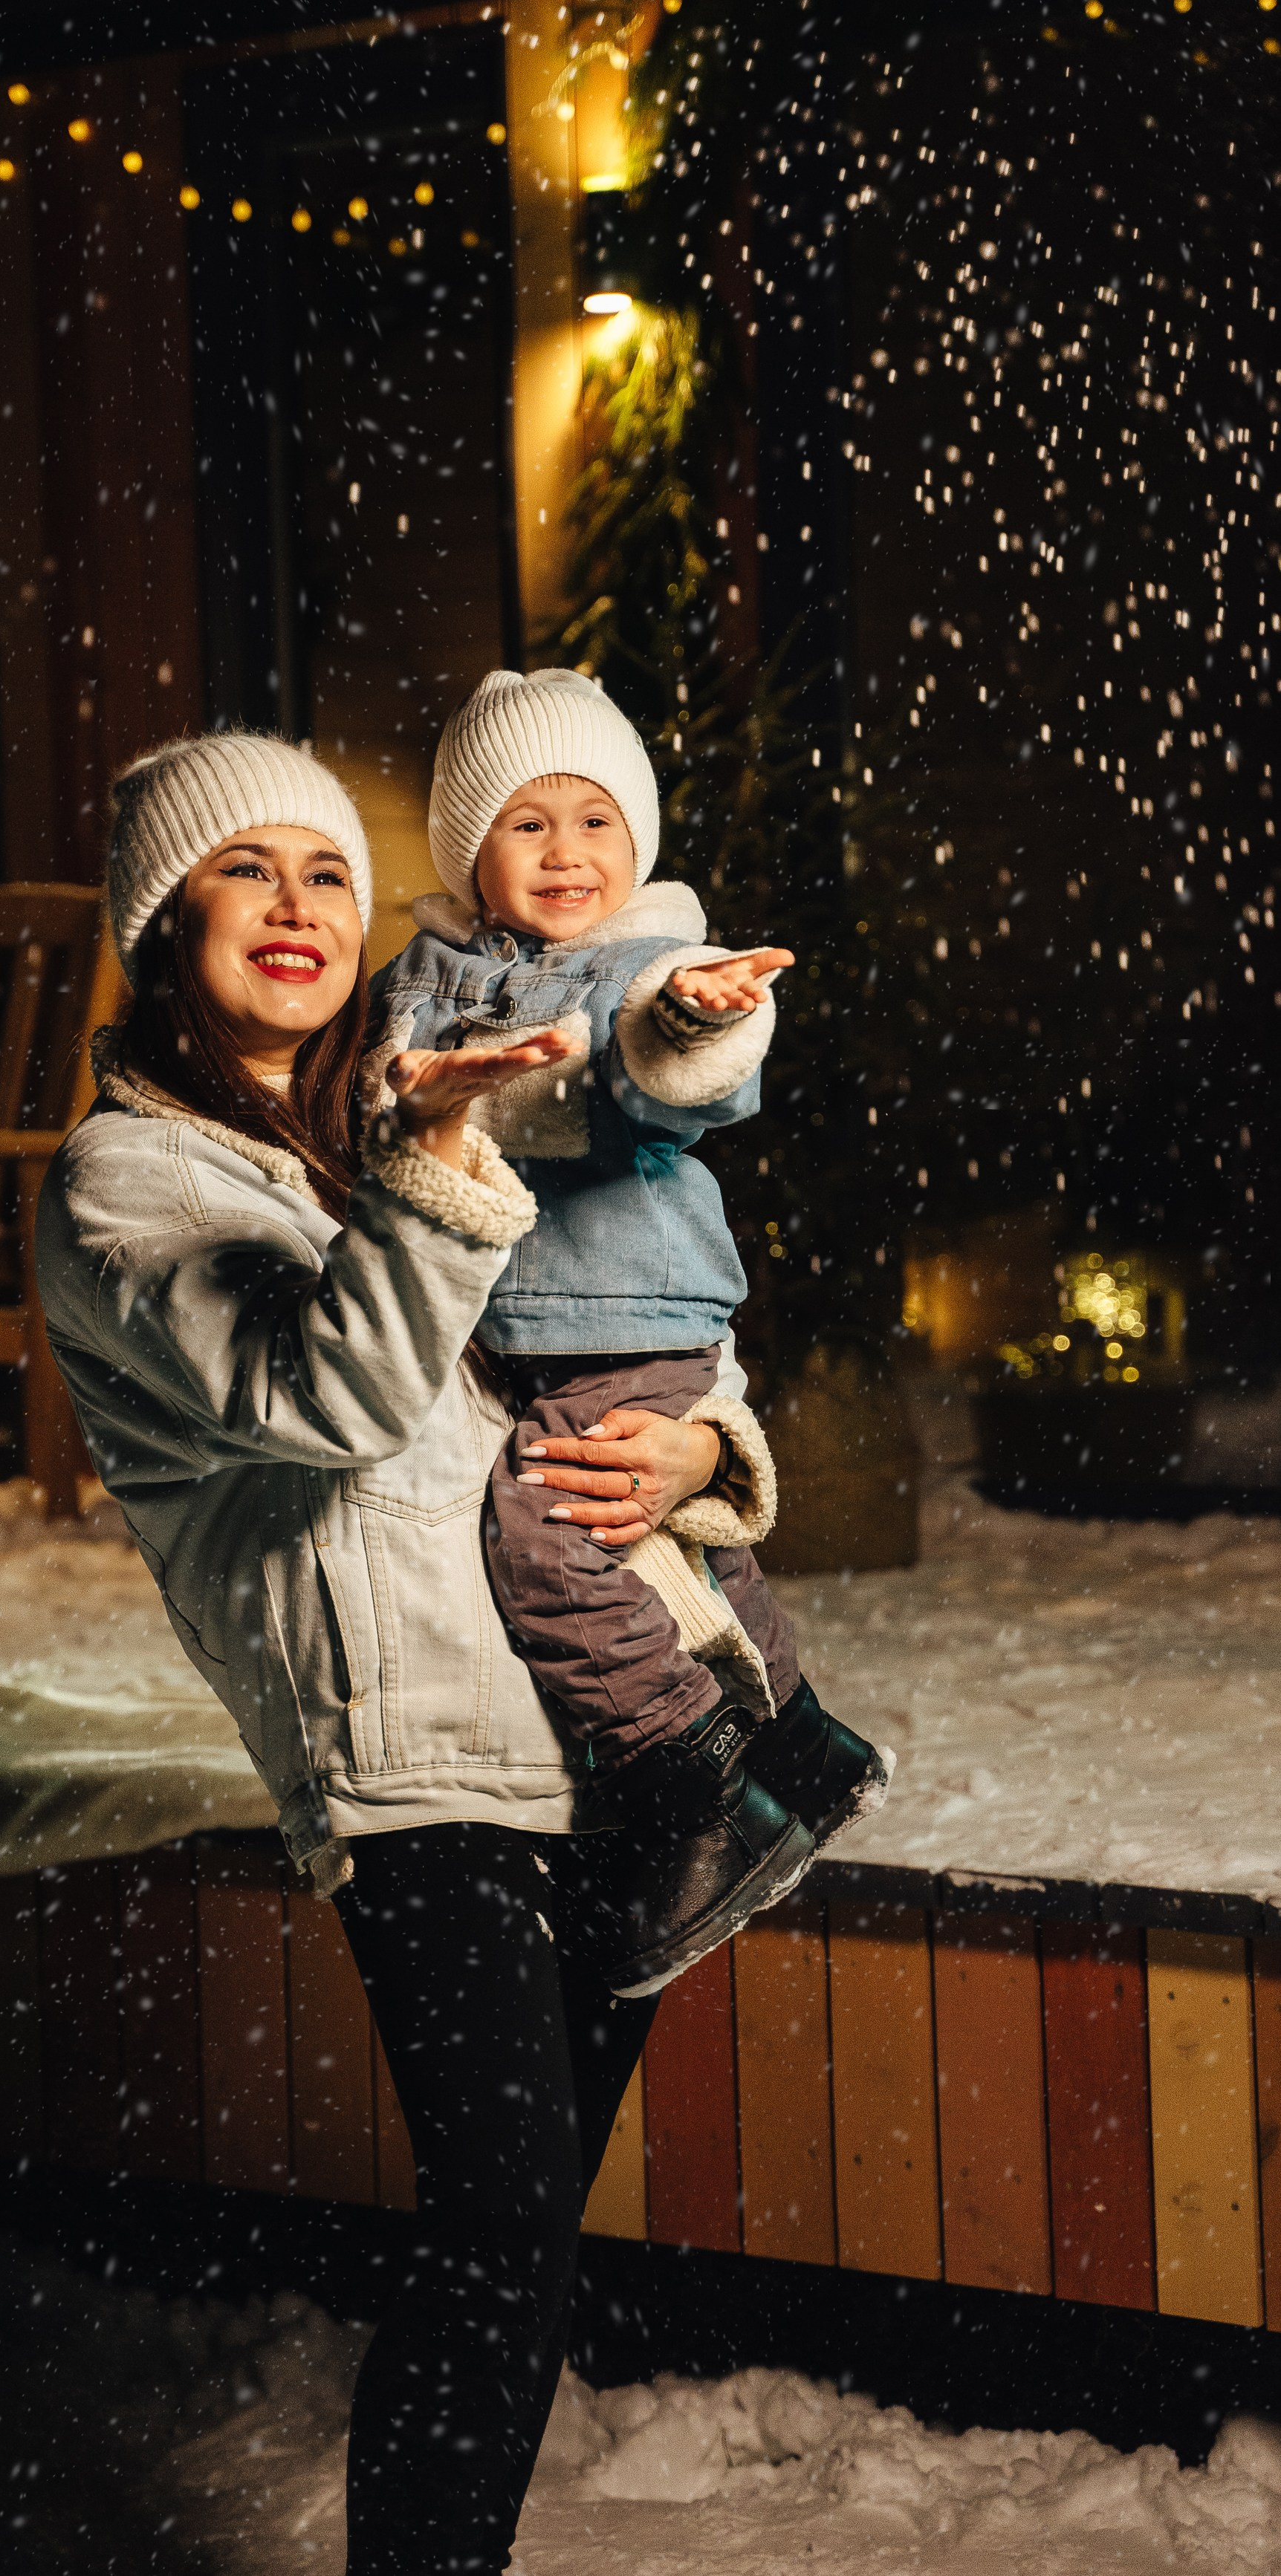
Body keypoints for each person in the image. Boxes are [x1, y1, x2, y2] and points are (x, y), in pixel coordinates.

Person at [35, 730, 766, 2576]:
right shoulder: (127, 1185)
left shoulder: (398, 1102)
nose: (298, 905)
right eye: (247, 869)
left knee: (522, 2251)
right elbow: (328, 1393)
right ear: (164, 918)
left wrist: (704, 1447)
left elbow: (626, 1296)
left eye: (328, 874)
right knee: (499, 2227)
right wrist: (436, 1160)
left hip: (587, 1719)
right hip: (408, 1754)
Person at [368, 669, 889, 1999]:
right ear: (467, 850)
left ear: (638, 844)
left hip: (633, 1313)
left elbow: (675, 1064)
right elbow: (369, 1090)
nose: (565, 853)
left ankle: (692, 1786)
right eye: (527, 823)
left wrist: (697, 1022)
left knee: (548, 1539)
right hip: (514, 1324)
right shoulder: (422, 975)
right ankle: (800, 1744)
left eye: (595, 821)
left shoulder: (646, 960)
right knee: (662, 1544)